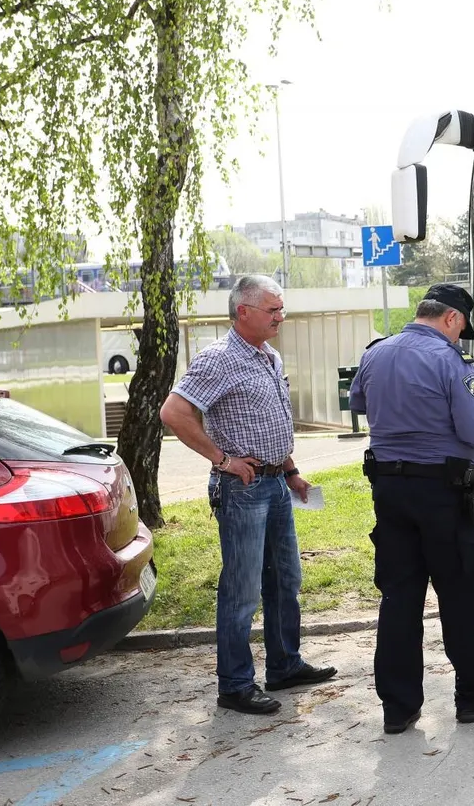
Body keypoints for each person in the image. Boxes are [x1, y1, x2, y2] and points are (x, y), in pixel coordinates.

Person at [159, 274, 337, 715]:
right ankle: (235, 685)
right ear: (243, 312)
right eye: (272, 309)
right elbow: (174, 413)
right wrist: (222, 461)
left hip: (277, 483)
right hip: (243, 489)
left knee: (285, 579)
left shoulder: (269, 356)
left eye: (281, 308)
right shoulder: (218, 359)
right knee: (242, 590)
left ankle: (284, 666)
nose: (281, 316)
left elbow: (272, 422)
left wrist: (292, 472)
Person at [350, 283, 474, 734]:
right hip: (445, 495)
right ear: (451, 318)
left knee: (399, 599)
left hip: (389, 492)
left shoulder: (375, 353)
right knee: (464, 596)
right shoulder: (451, 362)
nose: (459, 337)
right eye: (460, 328)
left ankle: (398, 708)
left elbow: (360, 404)